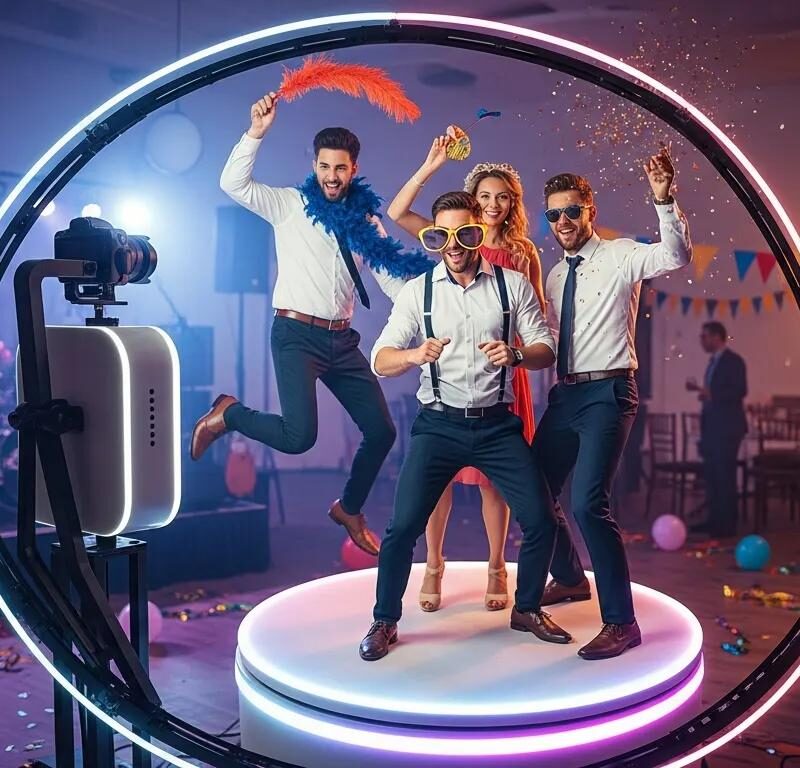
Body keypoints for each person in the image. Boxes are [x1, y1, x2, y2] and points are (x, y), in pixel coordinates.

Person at [190, 91, 426, 556]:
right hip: (296, 336)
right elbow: (233, 185)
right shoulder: (289, 204)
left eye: (340, 168)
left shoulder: (365, 219)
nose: (331, 176)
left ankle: (350, 508)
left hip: (342, 340)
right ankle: (229, 413)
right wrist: (256, 133)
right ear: (314, 165)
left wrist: (431, 308)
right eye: (324, 166)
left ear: (353, 169)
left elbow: (391, 278)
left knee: (381, 431)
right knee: (299, 438)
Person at [358, 190, 570, 662]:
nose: (453, 245)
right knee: (400, 529)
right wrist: (414, 354)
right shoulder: (420, 291)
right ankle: (384, 620)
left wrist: (516, 354)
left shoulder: (512, 286)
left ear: (479, 231)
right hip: (438, 426)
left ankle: (527, 607)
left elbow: (545, 348)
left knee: (541, 520)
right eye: (441, 236)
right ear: (433, 239)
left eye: (464, 233)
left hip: (498, 425)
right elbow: (380, 358)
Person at [534, 145, 693, 660]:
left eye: (571, 211)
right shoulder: (555, 276)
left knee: (587, 503)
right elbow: (552, 338)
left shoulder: (623, 254)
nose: (562, 221)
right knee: (532, 488)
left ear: (589, 211)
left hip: (608, 391)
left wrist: (665, 202)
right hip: (566, 393)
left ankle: (622, 623)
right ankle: (570, 578)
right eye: (553, 213)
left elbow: (676, 255)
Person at [386, 134, 544, 613]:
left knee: (498, 484)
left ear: (509, 205)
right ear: (472, 203)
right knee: (441, 483)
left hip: (503, 377)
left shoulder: (521, 256)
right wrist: (430, 164)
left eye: (502, 198)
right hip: (445, 387)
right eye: (485, 196)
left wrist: (515, 356)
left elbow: (535, 324)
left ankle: (498, 565)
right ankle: (434, 564)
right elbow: (397, 213)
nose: (493, 205)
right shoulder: (444, 241)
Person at [686, 321, 747, 538]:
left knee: (724, 475)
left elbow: (740, 391)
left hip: (728, 427)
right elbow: (716, 393)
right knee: (712, 475)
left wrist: (711, 394)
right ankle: (713, 521)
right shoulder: (713, 362)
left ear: (717, 337)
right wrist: (705, 394)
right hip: (712, 427)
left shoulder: (734, 361)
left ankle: (727, 525)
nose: (702, 341)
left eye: (704, 337)